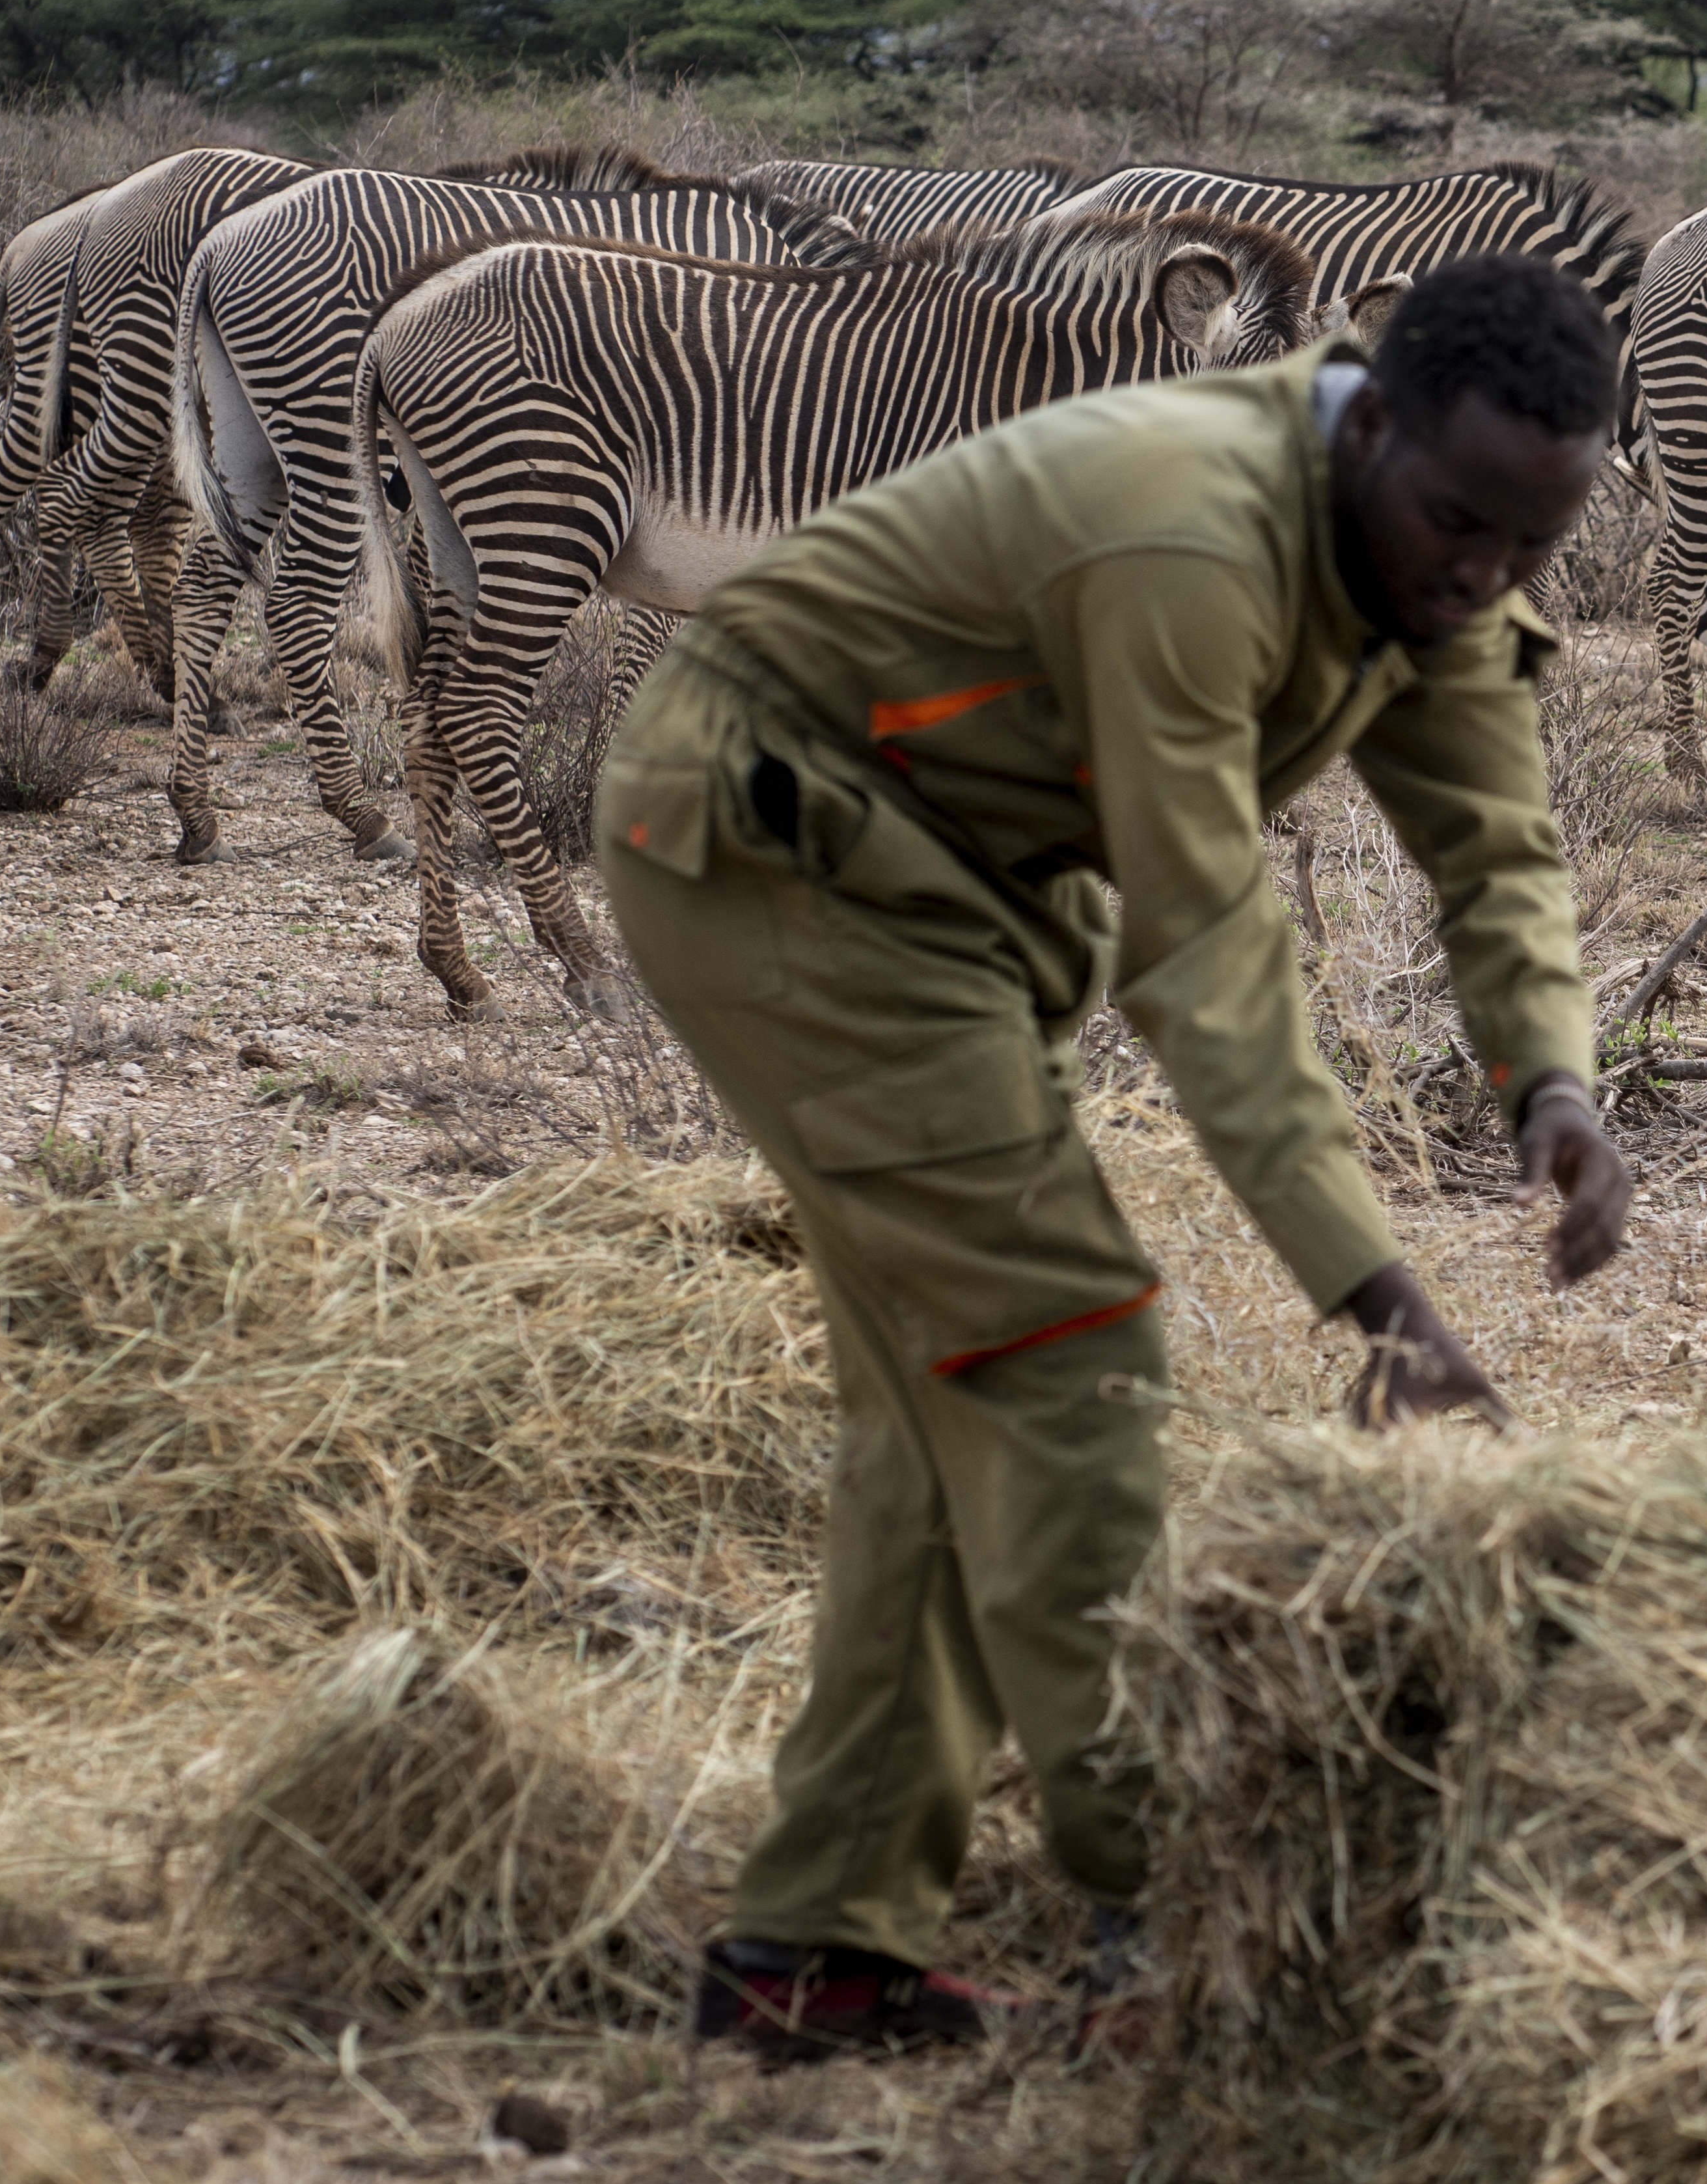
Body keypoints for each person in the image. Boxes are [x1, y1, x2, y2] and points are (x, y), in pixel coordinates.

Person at [595, 248, 1637, 2064]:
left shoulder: (1445, 553)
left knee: (955, 1400)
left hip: (935, 897)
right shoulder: (1184, 538)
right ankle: (1180, 1900)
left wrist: (1549, 1072)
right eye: (1462, 524)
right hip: (775, 852)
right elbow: (1205, 944)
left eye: (1529, 554)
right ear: (1367, 418)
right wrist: (1374, 1290)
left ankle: (815, 1956)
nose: (1483, 579)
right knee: (1065, 1349)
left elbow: (1493, 836)